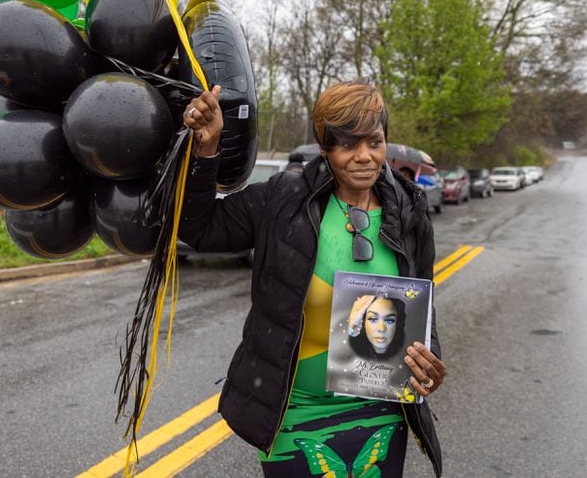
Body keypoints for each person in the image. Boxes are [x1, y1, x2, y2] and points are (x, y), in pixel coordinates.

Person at [180, 80, 447, 477]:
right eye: (347, 145)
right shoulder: (283, 198)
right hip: (295, 413)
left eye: (374, 142)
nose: (363, 157)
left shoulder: (408, 211)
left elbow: (421, 308)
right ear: (325, 147)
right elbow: (197, 228)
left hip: (380, 414)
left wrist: (430, 363)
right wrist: (206, 148)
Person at [347, 294, 406, 359]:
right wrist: (351, 324)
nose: (381, 329)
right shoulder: (351, 347)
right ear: (364, 322)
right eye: (373, 319)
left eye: (390, 321)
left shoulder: (407, 350)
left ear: (398, 324)